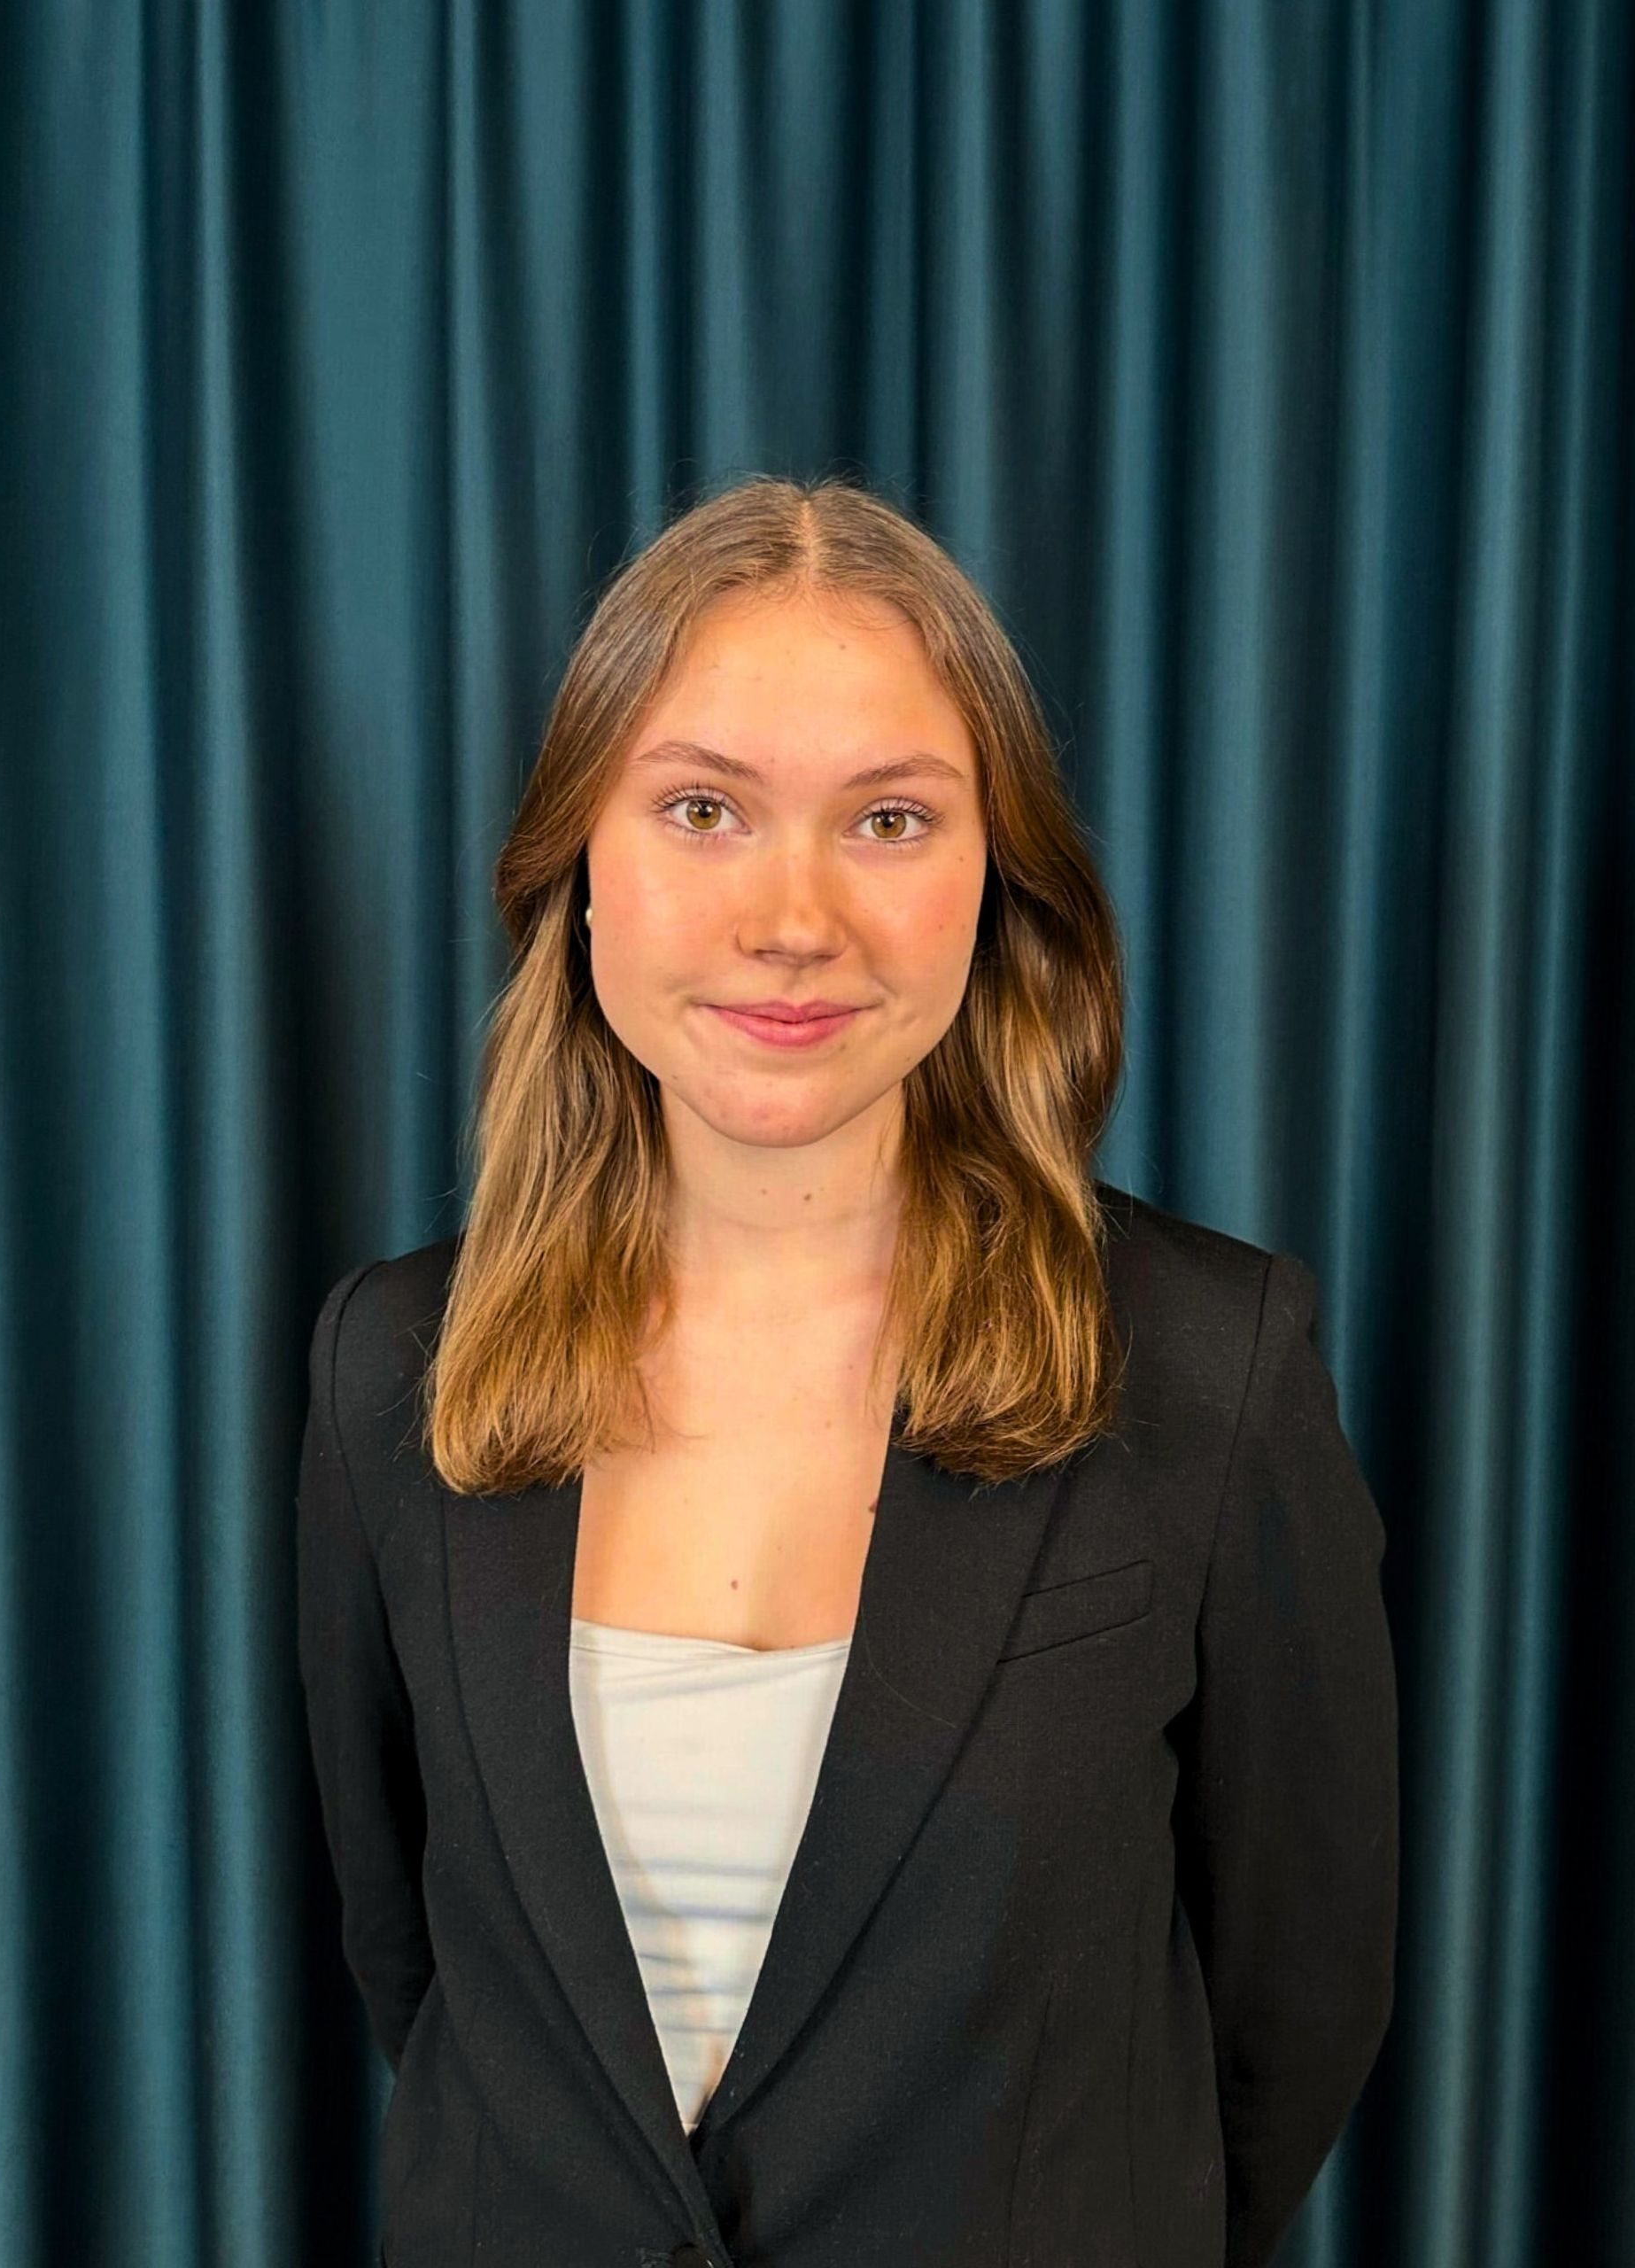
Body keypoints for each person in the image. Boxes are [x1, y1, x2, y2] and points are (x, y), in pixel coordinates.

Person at [296, 472, 1399, 2268]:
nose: (790, 915)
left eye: (888, 817)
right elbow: (413, 1963)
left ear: (995, 879)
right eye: (704, 809)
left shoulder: (1212, 1366)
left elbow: (1301, 1996)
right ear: (579, 866)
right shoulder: (389, 1368)